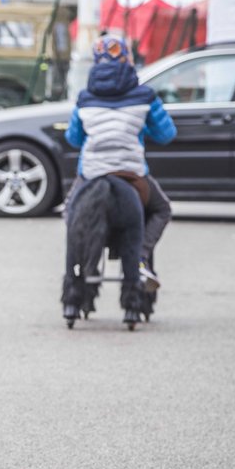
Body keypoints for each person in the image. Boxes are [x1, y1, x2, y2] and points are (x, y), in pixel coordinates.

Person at [64, 35, 176, 292]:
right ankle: (140, 258)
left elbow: (73, 138)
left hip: (92, 174)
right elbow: (167, 134)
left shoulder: (85, 98)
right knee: (162, 209)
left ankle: (83, 263)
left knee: (70, 211)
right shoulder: (146, 96)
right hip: (132, 173)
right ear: (128, 59)